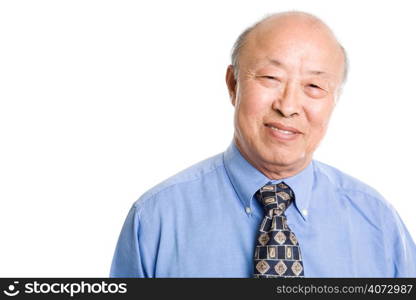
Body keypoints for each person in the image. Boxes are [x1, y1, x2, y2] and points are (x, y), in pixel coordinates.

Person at [110, 11, 416, 277]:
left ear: (334, 100)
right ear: (233, 84)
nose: (288, 106)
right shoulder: (154, 219)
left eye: (314, 86)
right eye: (271, 77)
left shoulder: (378, 223)